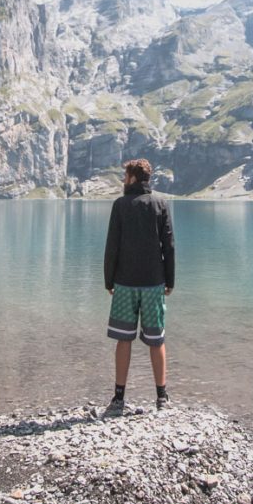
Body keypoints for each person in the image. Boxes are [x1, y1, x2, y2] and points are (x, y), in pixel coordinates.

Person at [103, 157, 175, 413]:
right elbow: (169, 245)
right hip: (154, 282)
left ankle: (119, 398)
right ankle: (161, 398)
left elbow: (112, 246)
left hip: (124, 282)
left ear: (133, 178)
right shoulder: (160, 203)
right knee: (156, 339)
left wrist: (108, 280)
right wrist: (170, 280)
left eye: (125, 176)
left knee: (124, 339)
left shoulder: (120, 205)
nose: (123, 180)